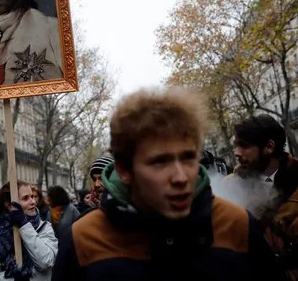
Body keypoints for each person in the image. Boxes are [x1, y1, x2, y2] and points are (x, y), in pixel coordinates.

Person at [51, 87, 286, 281]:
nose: (181, 177)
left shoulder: (237, 224)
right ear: (124, 170)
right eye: (160, 162)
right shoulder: (85, 239)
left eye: (187, 157)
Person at [222, 114, 298, 277]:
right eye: (236, 145)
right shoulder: (229, 185)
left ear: (269, 147)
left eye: (244, 145)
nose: (236, 153)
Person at [0, 181, 58, 281]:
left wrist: (24, 226)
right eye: (25, 198)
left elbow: (46, 262)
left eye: (32, 196)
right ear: (9, 205)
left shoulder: (44, 228)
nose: (33, 202)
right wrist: (9, 278)